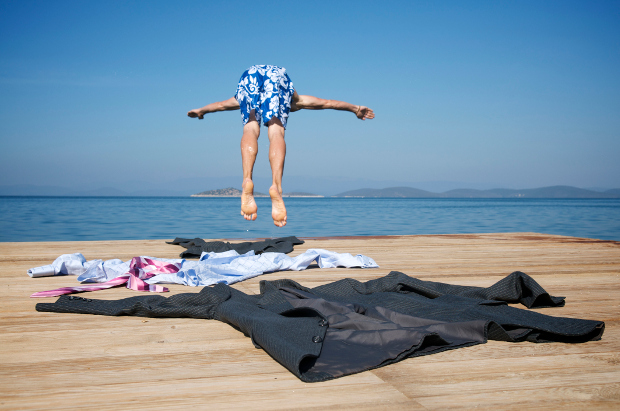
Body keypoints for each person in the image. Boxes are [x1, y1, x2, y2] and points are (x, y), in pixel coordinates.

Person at [187, 65, 375, 227]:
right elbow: (328, 103)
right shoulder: (297, 100)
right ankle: (276, 186)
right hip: (278, 77)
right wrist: (355, 108)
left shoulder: (240, 98)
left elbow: (219, 105)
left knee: (250, 128)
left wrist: (200, 111)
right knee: (276, 131)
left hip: (249, 75)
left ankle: (246, 179)